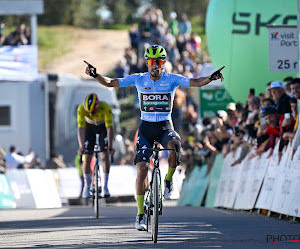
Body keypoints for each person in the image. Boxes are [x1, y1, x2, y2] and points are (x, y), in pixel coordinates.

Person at [84, 44, 224, 231]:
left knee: (175, 145)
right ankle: (141, 214)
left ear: (164, 63)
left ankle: (168, 181)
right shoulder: (138, 79)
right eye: (151, 62)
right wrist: (95, 75)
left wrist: (211, 78)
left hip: (165, 126)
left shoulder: (171, 79)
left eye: (158, 62)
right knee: (142, 169)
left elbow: (196, 82)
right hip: (146, 129)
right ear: (147, 63)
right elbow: (110, 83)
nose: (154, 65)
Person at [77, 93, 114, 200]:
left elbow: (109, 129)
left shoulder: (105, 107)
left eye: (93, 112)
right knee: (87, 157)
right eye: (89, 112)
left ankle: (105, 186)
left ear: (97, 107)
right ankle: (87, 186)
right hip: (89, 128)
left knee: (104, 156)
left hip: (103, 127)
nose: (91, 114)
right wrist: (81, 146)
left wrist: (110, 146)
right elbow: (80, 129)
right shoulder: (81, 109)